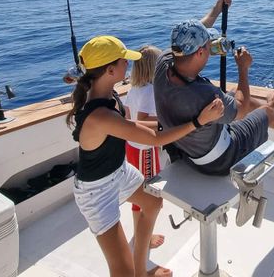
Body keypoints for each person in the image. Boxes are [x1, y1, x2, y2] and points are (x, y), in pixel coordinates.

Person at [67, 35, 224, 277]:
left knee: (153, 202)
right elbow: (156, 140)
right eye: (124, 61)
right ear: (110, 70)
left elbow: (131, 125)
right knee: (122, 271)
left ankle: (141, 270)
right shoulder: (99, 116)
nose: (128, 65)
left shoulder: (108, 95)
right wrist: (198, 121)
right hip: (96, 192)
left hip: (118, 172)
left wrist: (167, 124)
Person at [153, 0, 274, 176]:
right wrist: (243, 68)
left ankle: (268, 111)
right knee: (261, 110)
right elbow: (241, 110)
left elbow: (199, 29)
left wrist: (217, 9)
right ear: (201, 52)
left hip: (188, 150)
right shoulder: (203, 94)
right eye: (208, 45)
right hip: (220, 160)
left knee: (235, 94)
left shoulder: (163, 61)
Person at [122, 45, 165, 250]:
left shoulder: (134, 88)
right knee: (148, 194)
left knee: (138, 191)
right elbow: (142, 119)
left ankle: (141, 233)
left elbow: (128, 116)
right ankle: (144, 238)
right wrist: (168, 119)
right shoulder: (149, 90)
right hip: (143, 150)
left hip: (133, 146)